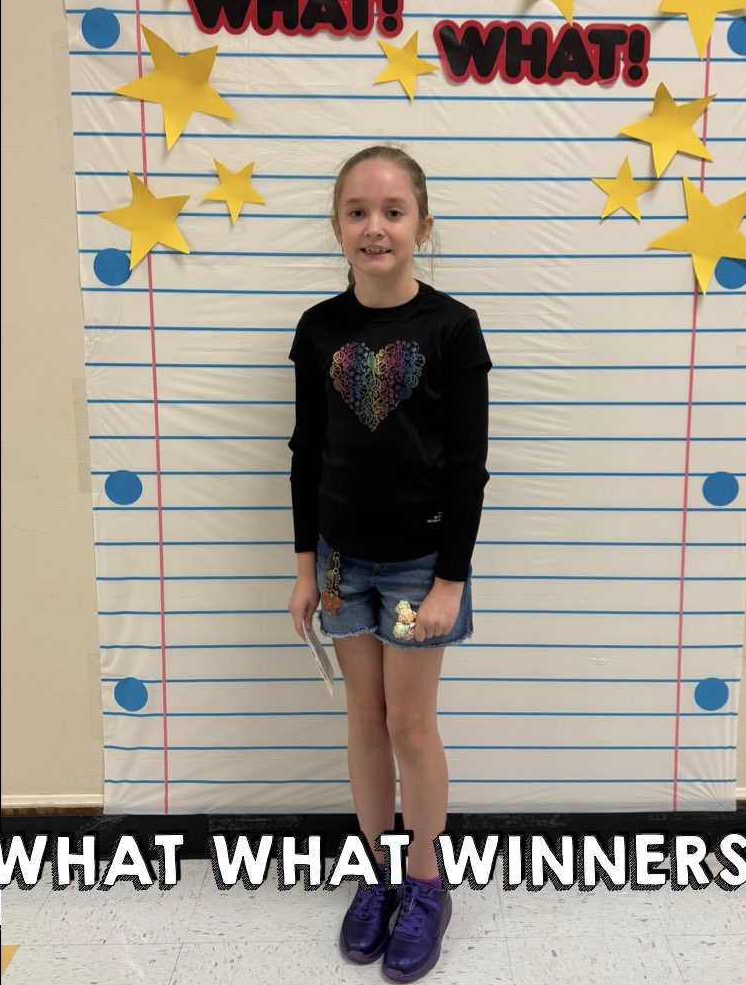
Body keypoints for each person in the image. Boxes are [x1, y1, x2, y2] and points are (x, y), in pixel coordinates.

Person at [287, 145, 490, 983]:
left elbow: (467, 464)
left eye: (393, 211)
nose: (376, 226)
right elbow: (306, 454)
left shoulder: (452, 328)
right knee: (362, 723)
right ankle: (373, 874)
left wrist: (449, 580)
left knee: (410, 725)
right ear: (337, 229)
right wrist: (306, 568)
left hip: (416, 568)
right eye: (359, 212)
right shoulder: (318, 329)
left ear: (423, 226)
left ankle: (426, 880)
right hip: (340, 565)